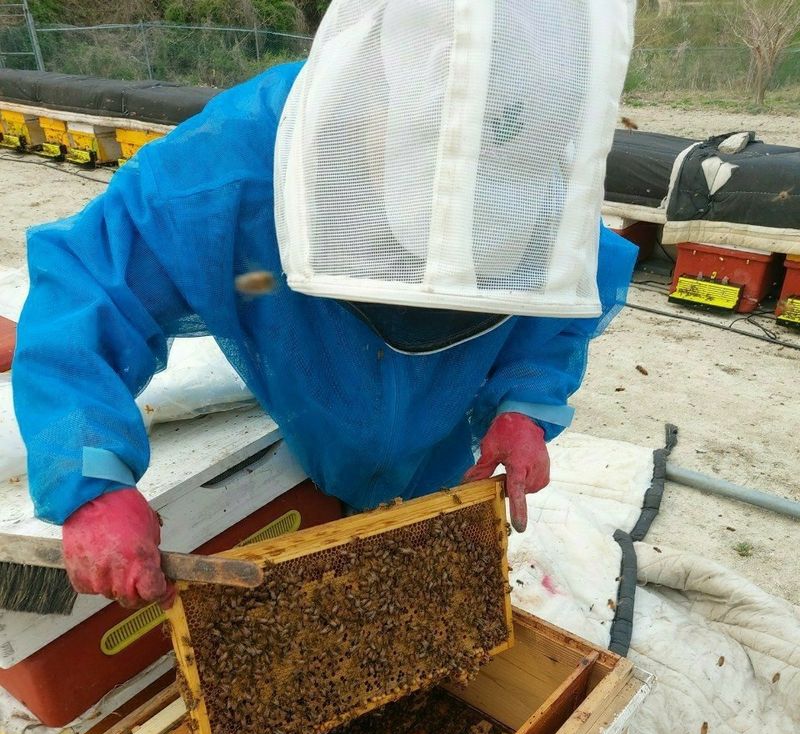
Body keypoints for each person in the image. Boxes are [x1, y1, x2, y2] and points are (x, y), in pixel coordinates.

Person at [12, 0, 636, 610]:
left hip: (443, 449)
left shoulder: (546, 172)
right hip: (288, 323)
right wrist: (92, 484)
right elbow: (90, 285)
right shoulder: (234, 162)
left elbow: (555, 310)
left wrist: (523, 406)